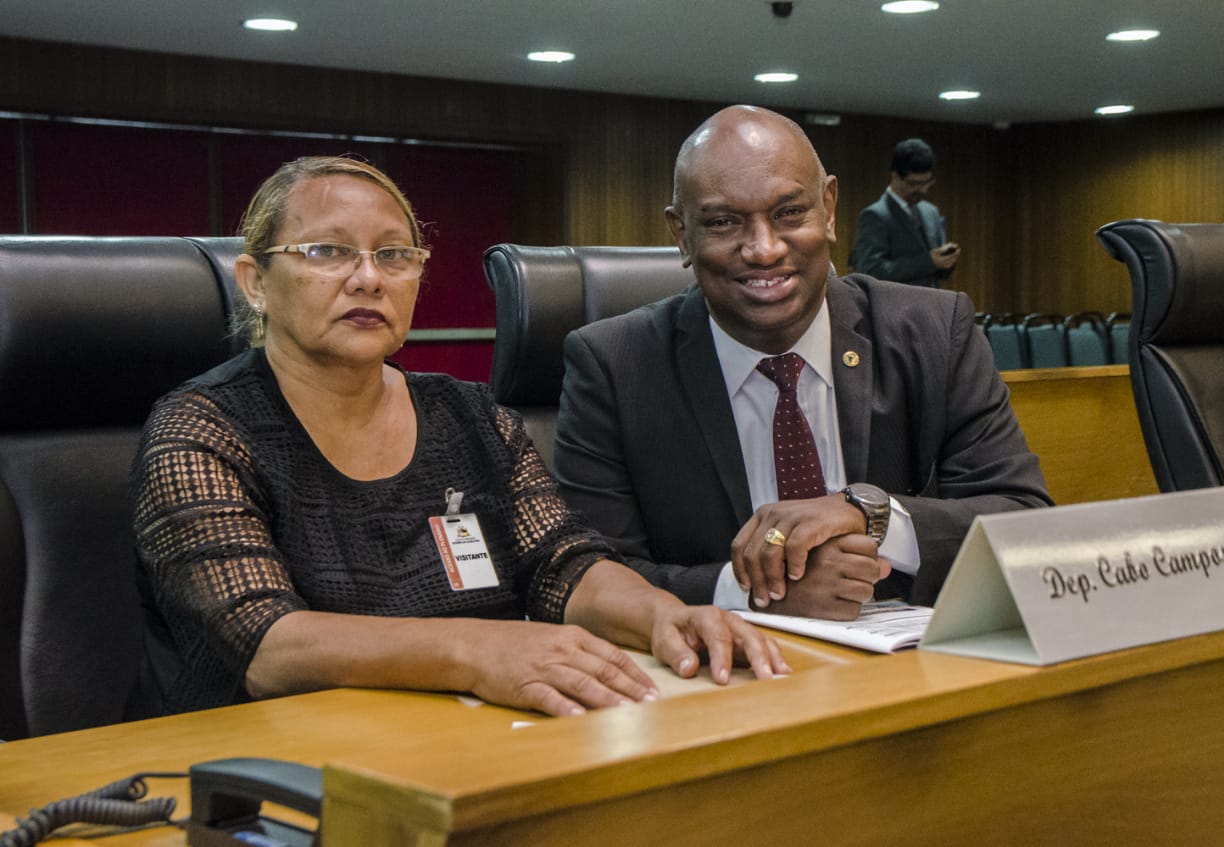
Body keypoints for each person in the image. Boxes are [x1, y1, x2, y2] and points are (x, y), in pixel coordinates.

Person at [129, 155, 787, 720]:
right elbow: (266, 646)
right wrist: (474, 650)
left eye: (394, 254)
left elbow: (563, 565)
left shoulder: (467, 414)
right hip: (252, 774)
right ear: (256, 282)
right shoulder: (201, 429)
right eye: (327, 252)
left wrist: (660, 613)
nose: (367, 277)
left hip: (461, 743)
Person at [555, 106, 1050, 619]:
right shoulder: (614, 367)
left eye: (789, 213)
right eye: (724, 222)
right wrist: (754, 590)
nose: (764, 249)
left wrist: (869, 518)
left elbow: (1023, 519)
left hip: (911, 665)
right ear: (682, 234)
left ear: (829, 208)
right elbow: (582, 572)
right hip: (718, 674)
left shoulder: (932, 331)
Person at [850, 138, 960, 287]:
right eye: (915, 184)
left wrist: (946, 260)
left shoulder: (931, 211)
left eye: (927, 183)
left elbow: (938, 271)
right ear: (895, 176)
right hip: (896, 307)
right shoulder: (874, 215)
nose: (923, 190)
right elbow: (870, 270)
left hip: (932, 303)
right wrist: (929, 261)